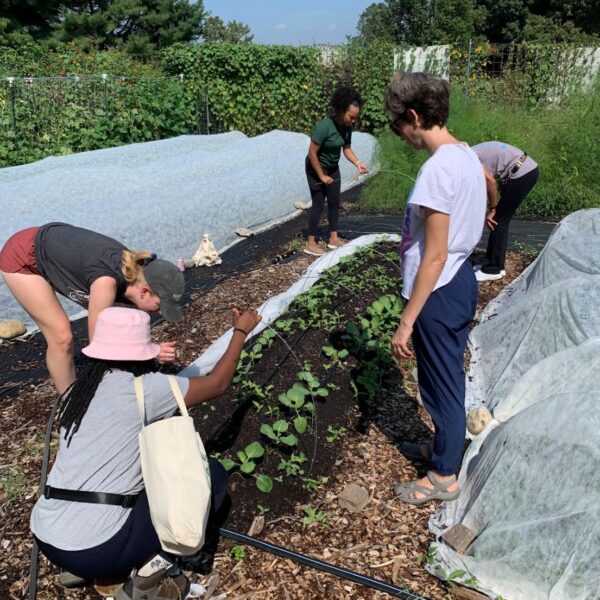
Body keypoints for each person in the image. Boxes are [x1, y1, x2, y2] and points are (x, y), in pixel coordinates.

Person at [30, 305, 261, 599]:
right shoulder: (147, 388)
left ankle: (90, 568)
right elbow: (218, 384)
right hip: (96, 547)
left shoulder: (79, 391)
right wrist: (241, 330)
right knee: (211, 476)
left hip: (47, 534)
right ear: (143, 353)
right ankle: (149, 577)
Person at [386, 72, 487, 504]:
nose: (401, 135)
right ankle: (445, 448)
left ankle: (443, 476)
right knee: (447, 375)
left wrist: (407, 321)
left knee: (440, 382)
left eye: (399, 126)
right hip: (460, 280)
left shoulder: (437, 170)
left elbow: (435, 255)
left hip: (439, 289)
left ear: (413, 117)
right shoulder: (466, 156)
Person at [0, 222, 184, 395]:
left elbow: (121, 330)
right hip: (23, 256)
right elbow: (98, 344)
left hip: (54, 246)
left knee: (120, 319)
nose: (160, 312)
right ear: (144, 291)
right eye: (160, 305)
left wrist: (150, 350)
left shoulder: (136, 273)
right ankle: (70, 403)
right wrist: (151, 351)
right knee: (61, 337)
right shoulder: (106, 283)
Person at [303, 86, 369, 256]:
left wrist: (357, 162)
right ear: (341, 110)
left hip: (332, 167)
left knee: (334, 202)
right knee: (318, 204)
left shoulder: (347, 128)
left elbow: (346, 148)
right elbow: (312, 153)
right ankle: (310, 242)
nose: (353, 121)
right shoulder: (324, 126)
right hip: (315, 167)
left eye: (355, 117)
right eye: (351, 116)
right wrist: (321, 176)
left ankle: (333, 239)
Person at [472, 141, 539, 281]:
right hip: (525, 169)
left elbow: (490, 182)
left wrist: (492, 208)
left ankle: (493, 269)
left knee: (498, 220)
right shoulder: (469, 152)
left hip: (522, 173)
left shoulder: (468, 158)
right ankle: (496, 264)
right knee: (500, 219)